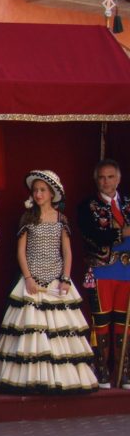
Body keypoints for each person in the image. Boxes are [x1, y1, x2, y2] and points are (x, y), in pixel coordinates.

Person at [0, 171, 97, 394]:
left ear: (52, 193)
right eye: (35, 190)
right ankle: (32, 378)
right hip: (32, 281)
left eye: (42, 190)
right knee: (31, 331)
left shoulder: (61, 219)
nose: (38, 194)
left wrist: (65, 278)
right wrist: (27, 278)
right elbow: (21, 251)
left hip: (56, 281)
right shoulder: (28, 218)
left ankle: (60, 379)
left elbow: (67, 251)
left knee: (59, 332)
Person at [78, 158, 130, 388]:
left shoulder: (128, 203)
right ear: (96, 180)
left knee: (123, 322)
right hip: (101, 271)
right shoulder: (86, 206)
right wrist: (121, 234)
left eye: (110, 177)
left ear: (118, 179)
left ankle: (123, 370)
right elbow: (92, 235)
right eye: (101, 177)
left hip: (127, 271)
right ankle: (102, 370)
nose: (106, 182)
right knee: (101, 321)